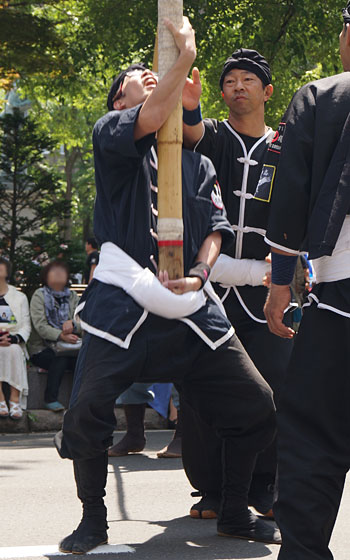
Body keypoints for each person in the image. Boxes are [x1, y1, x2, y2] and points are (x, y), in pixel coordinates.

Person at [54, 17, 280, 555]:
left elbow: (218, 231)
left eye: (157, 73)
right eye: (139, 75)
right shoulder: (111, 137)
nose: (151, 76)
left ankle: (233, 509)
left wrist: (201, 273)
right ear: (118, 103)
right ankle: (93, 519)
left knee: (258, 404)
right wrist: (183, 56)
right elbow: (153, 116)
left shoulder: (198, 165)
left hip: (192, 312)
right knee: (86, 411)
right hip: (121, 304)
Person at [181, 48, 294, 519]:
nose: (238, 87)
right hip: (211, 290)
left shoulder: (286, 146)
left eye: (249, 80)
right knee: (205, 392)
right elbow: (188, 130)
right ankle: (211, 489)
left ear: (267, 91)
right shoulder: (213, 137)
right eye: (230, 81)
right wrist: (190, 104)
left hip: (271, 290)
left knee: (273, 390)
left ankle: (262, 486)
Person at [263, 5, 350, 558]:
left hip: (340, 293)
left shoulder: (321, 99)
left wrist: (278, 285)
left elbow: (290, 199)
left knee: (313, 441)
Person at [29, 261, 82, 412]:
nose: (58, 275)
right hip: (42, 348)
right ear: (46, 276)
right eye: (54, 272)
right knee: (60, 359)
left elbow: (83, 320)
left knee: (85, 360)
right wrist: (60, 335)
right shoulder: (39, 296)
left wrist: (74, 325)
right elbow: (40, 326)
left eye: (62, 272)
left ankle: (81, 401)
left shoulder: (72, 296)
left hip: (72, 346)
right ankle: (50, 399)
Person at [0, 257, 31, 419]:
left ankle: (14, 398)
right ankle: (0, 399)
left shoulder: (20, 297)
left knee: (14, 350)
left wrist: (13, 339)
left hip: (13, 340)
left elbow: (26, 326)